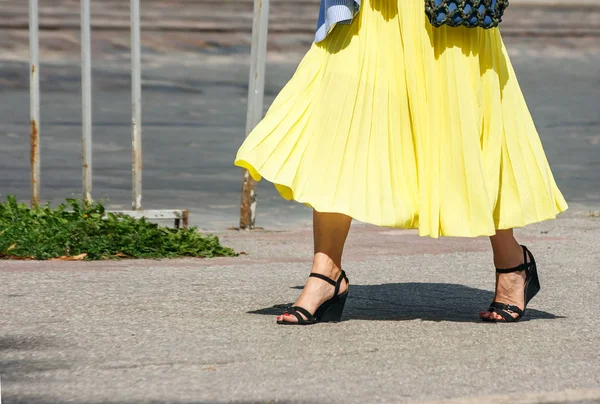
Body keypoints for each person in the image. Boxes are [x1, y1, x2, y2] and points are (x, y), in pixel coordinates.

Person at [234, 0, 567, 324]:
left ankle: (512, 262)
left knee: (462, 128)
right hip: (373, 11)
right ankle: (326, 273)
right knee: (339, 123)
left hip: (445, 14)